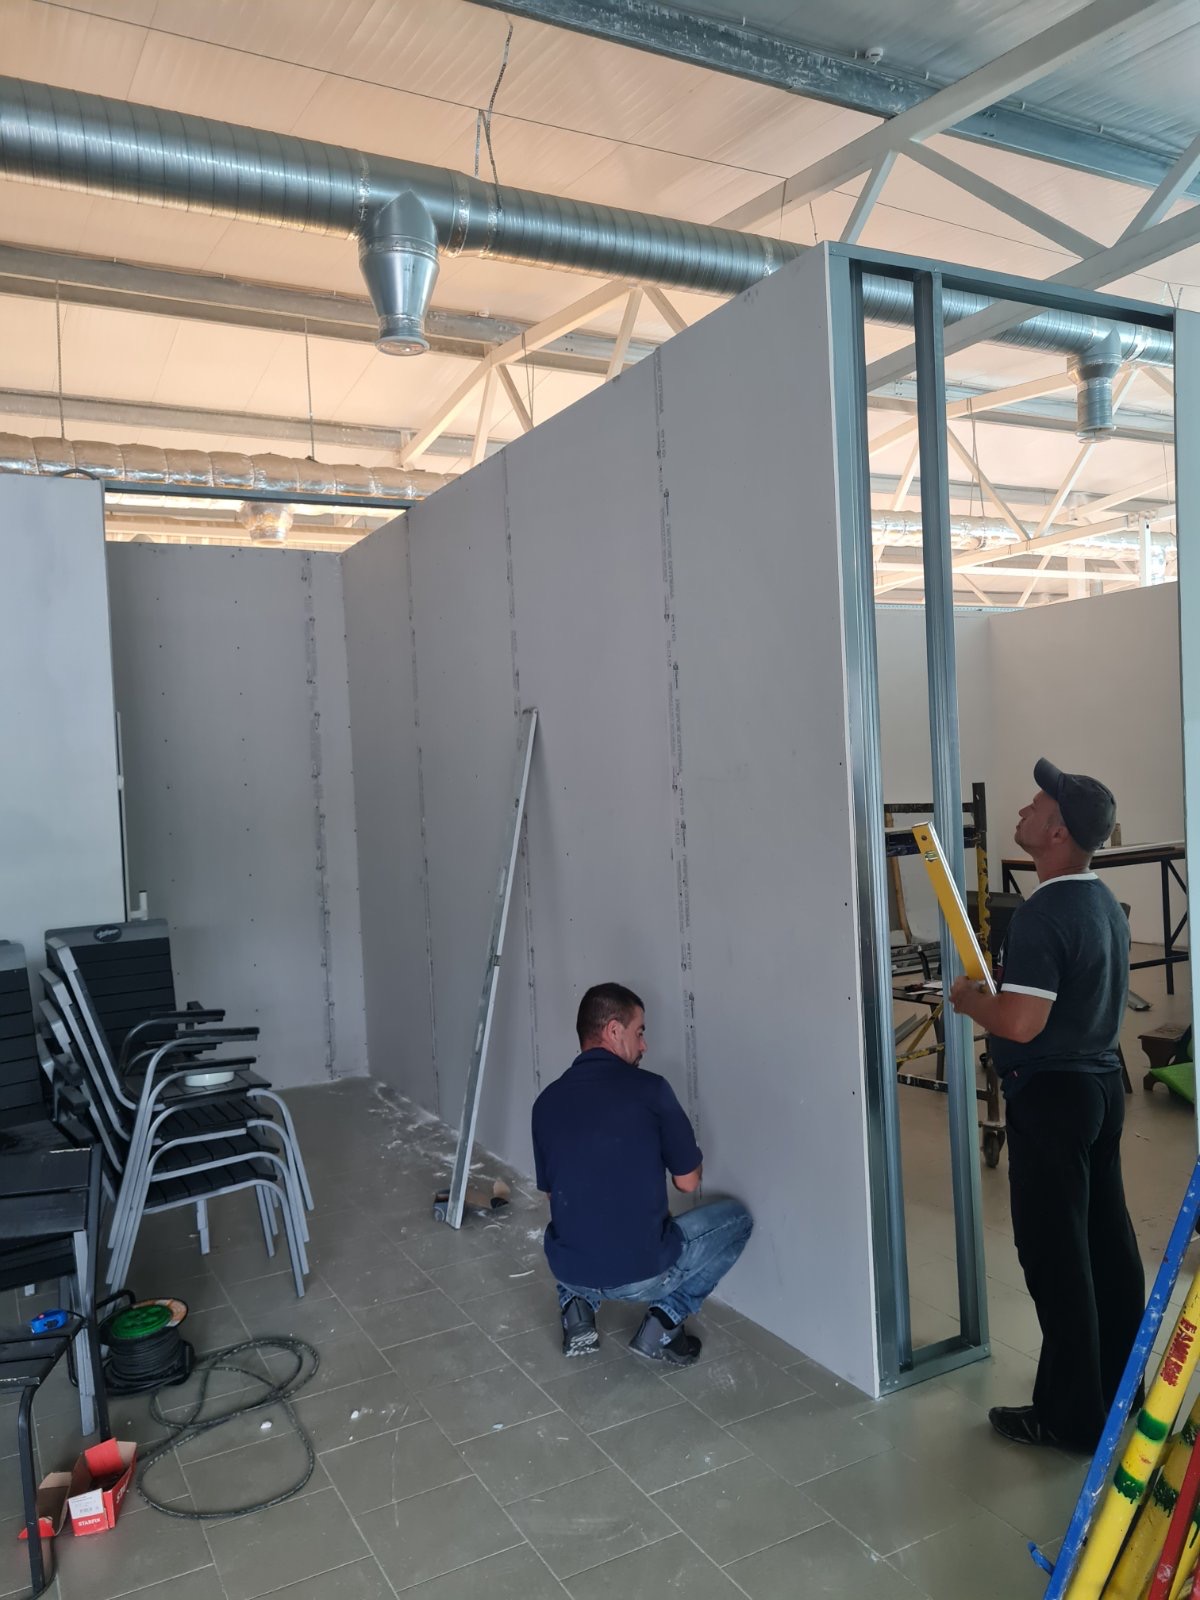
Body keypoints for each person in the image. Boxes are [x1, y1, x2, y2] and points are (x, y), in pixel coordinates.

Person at [949, 758, 1144, 1452]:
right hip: (1099, 1090)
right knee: (1106, 1245)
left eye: (1035, 807)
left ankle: (1070, 1418)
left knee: (1057, 1258)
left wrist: (971, 1000)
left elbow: (1022, 1024)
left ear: (1058, 833)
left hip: (1053, 1100)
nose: (1023, 813)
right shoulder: (1102, 903)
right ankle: (1122, 1390)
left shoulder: (1044, 912)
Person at [531, 982, 753, 1366]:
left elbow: (554, 1194)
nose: (644, 1045)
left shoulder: (545, 1102)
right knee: (738, 1220)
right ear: (614, 1030)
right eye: (640, 1032)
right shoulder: (651, 1090)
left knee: (573, 1223)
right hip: (644, 1276)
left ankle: (577, 1309)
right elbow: (688, 1182)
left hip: (570, 1270)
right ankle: (663, 1323)